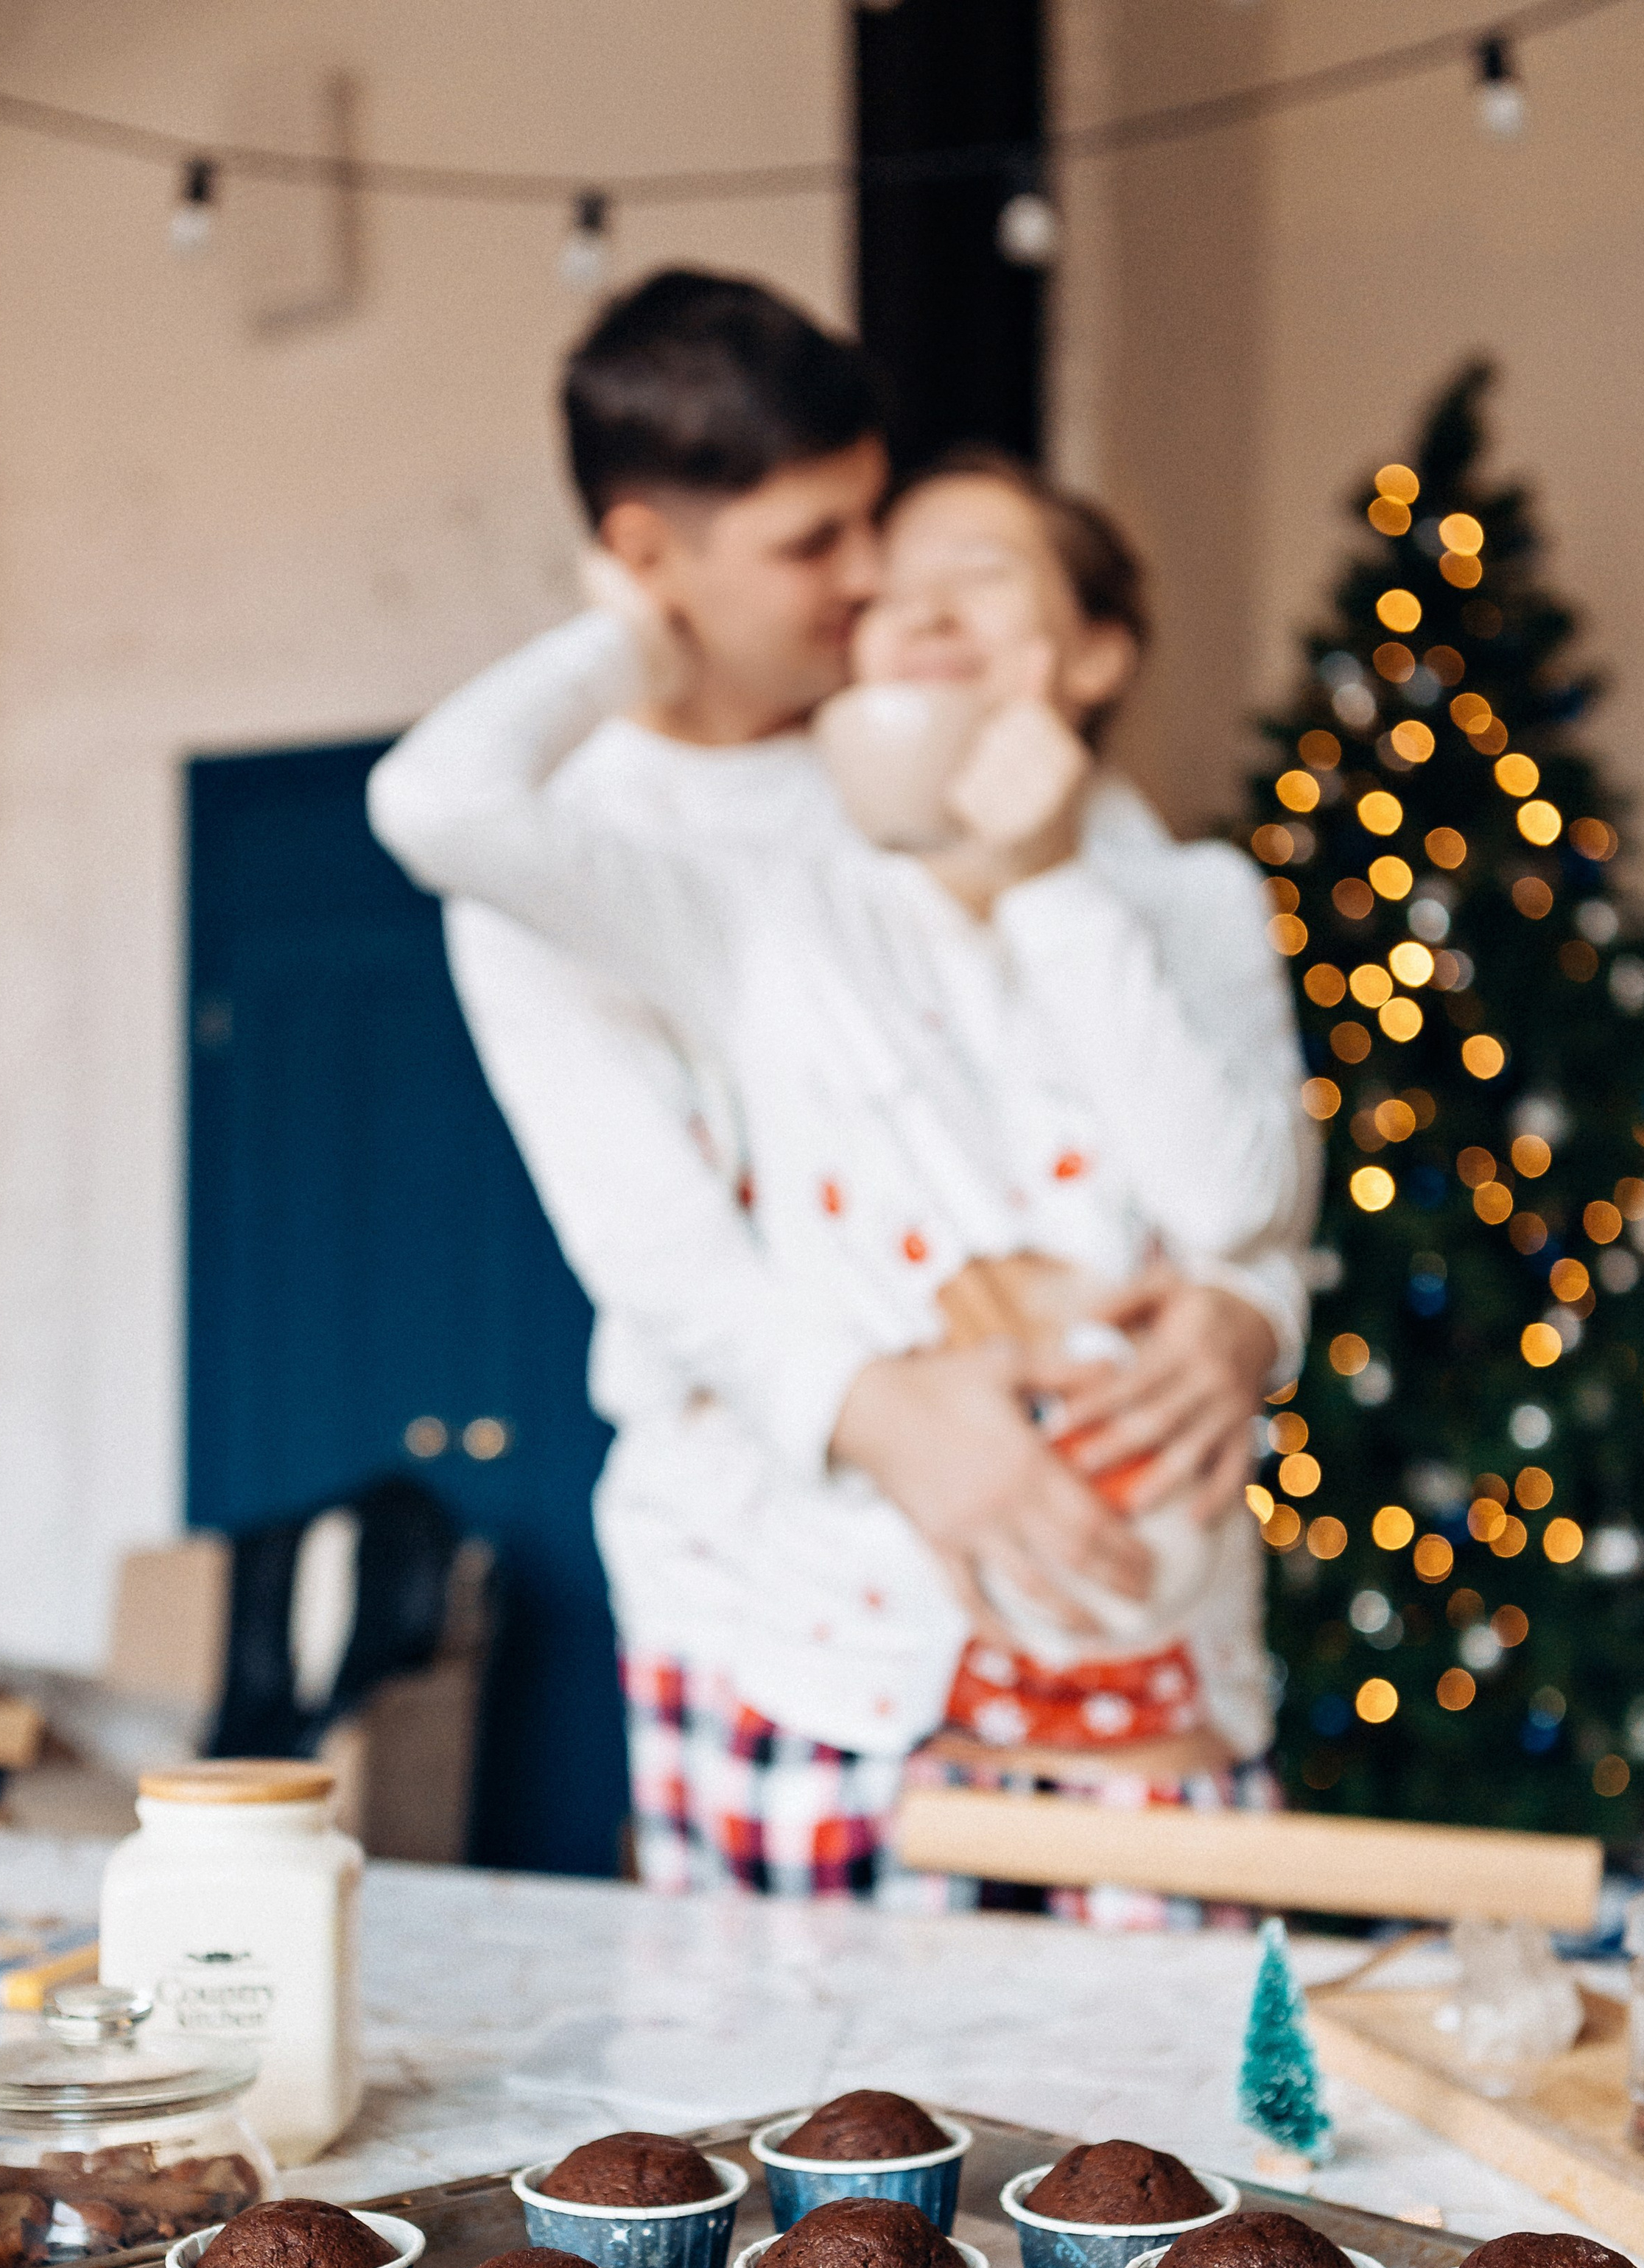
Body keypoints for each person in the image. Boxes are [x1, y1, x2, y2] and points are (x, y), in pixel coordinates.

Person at [370, 272, 1312, 1896]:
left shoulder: (924, 745)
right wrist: (880, 1414)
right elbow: (657, 1251)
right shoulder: (594, 851)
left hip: (1106, 1599)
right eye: (818, 543)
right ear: (651, 554)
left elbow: (1162, 1101)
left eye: (872, 518)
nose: (874, 577)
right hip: (784, 1590)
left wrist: (1249, 1300)